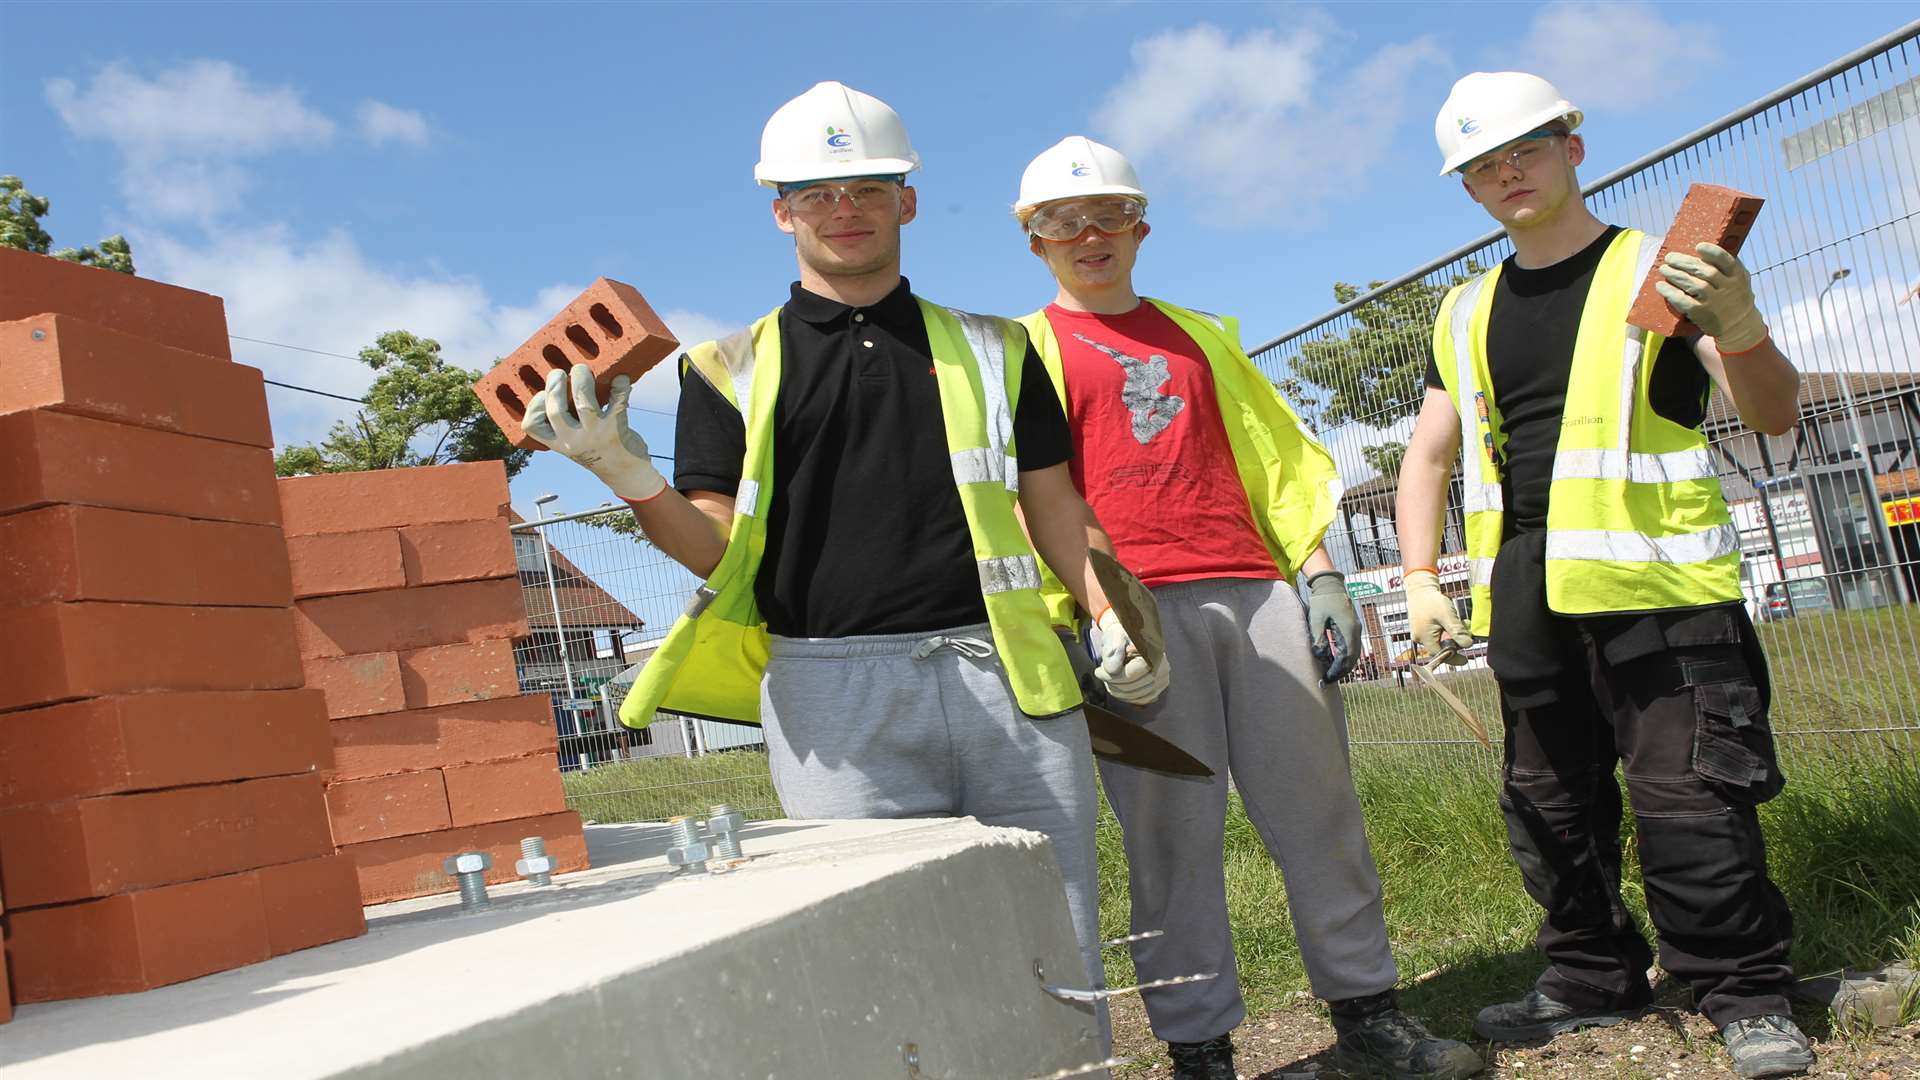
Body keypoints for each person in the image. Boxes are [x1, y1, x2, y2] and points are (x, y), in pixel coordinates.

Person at [525, 83, 1167, 1067]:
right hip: (832, 699)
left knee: (1055, 930)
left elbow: (1052, 505)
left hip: (1010, 679)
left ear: (907, 200)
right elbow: (716, 548)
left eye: (868, 186)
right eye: (817, 193)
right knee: (886, 956)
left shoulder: (1000, 350)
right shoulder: (724, 367)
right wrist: (625, 471)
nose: (846, 209)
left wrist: (1112, 607)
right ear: (780, 210)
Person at [1011, 135, 1483, 1080]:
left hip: (1254, 588)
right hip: (1130, 614)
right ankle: (1199, 1049)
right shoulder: (1020, 351)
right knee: (1168, 844)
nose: (1088, 235)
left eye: (1108, 215)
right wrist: (1065, 617)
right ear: (1035, 241)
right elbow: (1019, 496)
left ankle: (1369, 1018)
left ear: (1140, 227)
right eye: (1062, 222)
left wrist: (1320, 574)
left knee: (1320, 817)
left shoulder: (1202, 336)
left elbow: (1273, 460)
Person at [1398, 72, 1811, 1080]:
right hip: (1530, 591)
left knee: (1692, 797)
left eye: (1526, 150)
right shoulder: (1465, 309)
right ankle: (1589, 980)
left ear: (1572, 148)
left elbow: (1774, 412)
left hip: (1661, 592)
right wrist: (1417, 577)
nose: (1509, 174)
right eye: (1485, 166)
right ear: (1468, 190)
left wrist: (1742, 321)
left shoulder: (1661, 271)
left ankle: (1744, 992)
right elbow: (1429, 455)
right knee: (1549, 802)